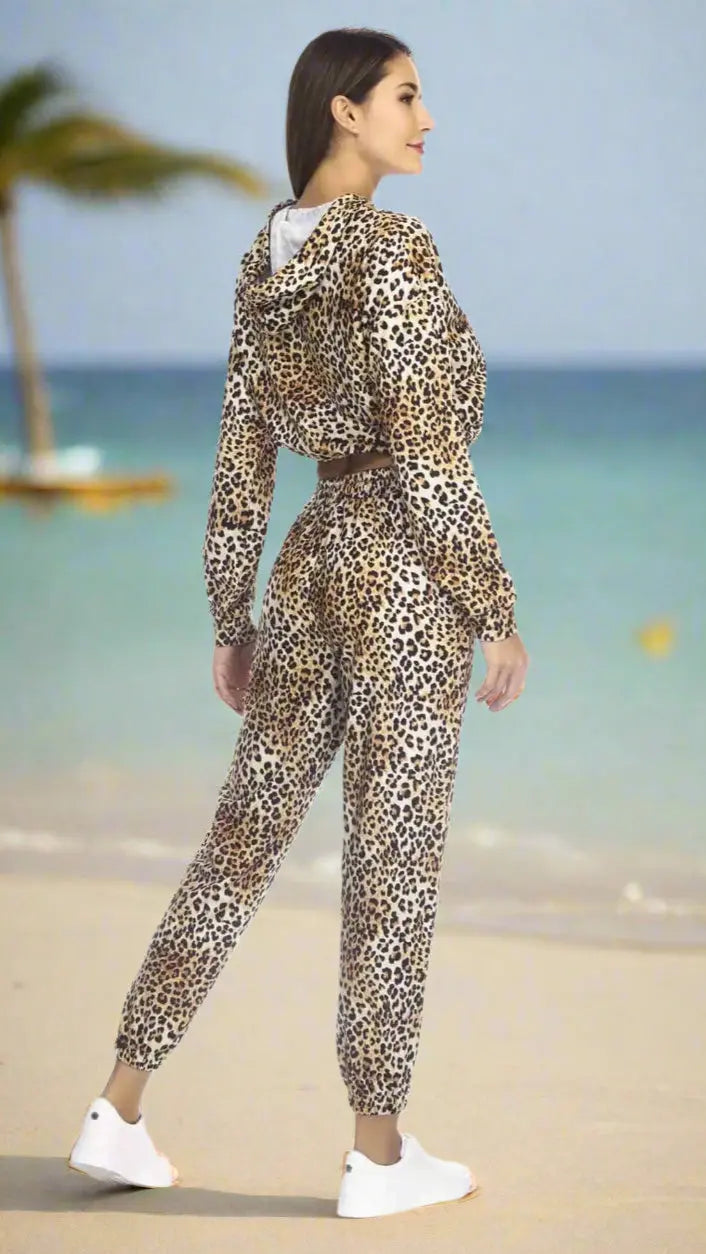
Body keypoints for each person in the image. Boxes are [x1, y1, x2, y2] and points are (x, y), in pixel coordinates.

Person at [68, 27, 529, 1219]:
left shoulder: (262, 259)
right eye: (407, 97)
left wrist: (231, 610)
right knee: (392, 861)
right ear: (343, 110)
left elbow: (239, 458)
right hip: (401, 574)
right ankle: (377, 1154)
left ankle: (117, 1108)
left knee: (239, 843)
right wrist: (493, 606)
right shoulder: (392, 250)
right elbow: (428, 450)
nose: (426, 120)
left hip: (309, 559)